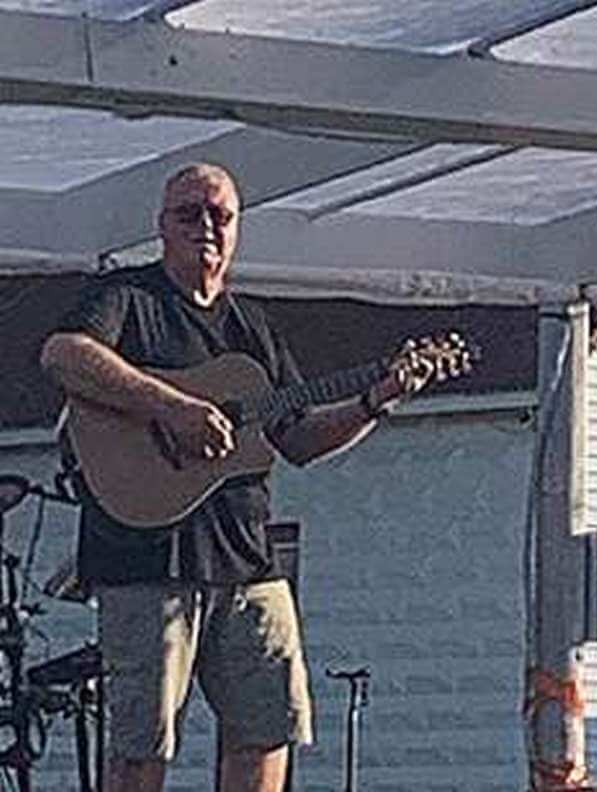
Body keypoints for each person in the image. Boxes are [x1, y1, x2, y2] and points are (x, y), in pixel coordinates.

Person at [40, 163, 429, 792]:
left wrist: (374, 401)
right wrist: (173, 408)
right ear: (162, 226)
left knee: (269, 727)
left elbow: (298, 439)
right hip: (146, 558)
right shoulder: (127, 298)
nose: (206, 227)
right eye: (188, 214)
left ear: (237, 228)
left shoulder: (253, 328)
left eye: (219, 216)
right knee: (142, 746)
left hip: (247, 558)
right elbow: (64, 355)